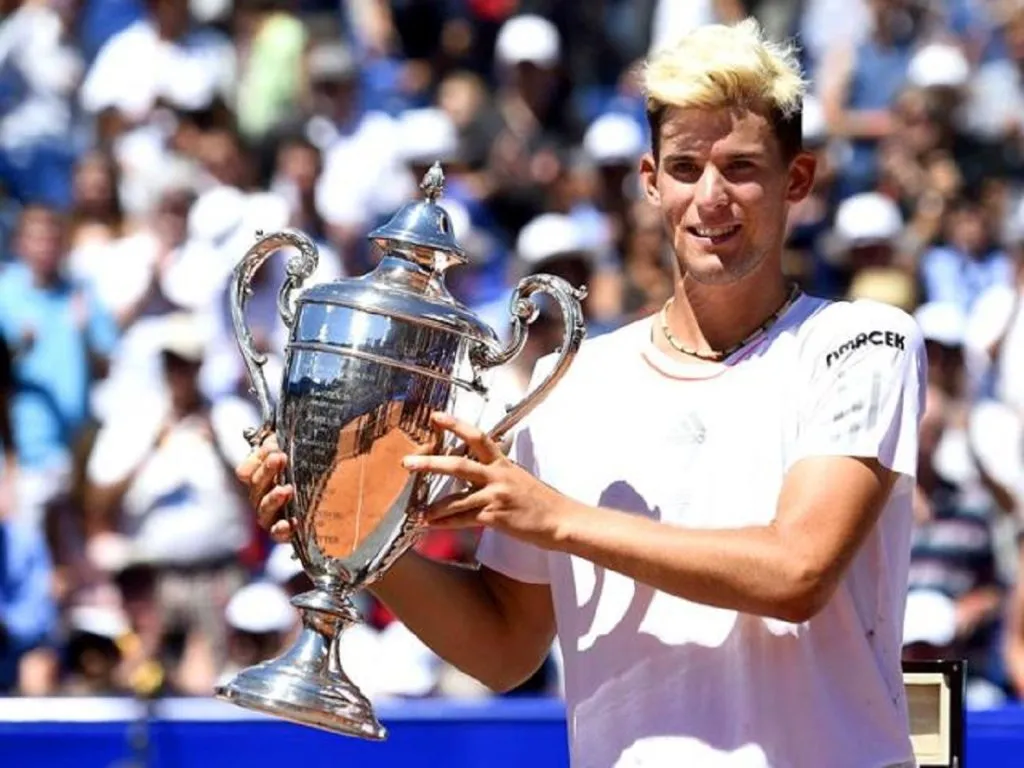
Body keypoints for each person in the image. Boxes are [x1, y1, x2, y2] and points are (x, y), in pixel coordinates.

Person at [238, 19, 927, 768]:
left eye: (742, 167)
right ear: (650, 180)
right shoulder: (573, 382)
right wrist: (346, 531)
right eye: (688, 167)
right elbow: (504, 650)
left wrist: (559, 520)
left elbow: (798, 571)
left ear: (798, 179)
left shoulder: (864, 342)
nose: (712, 198)